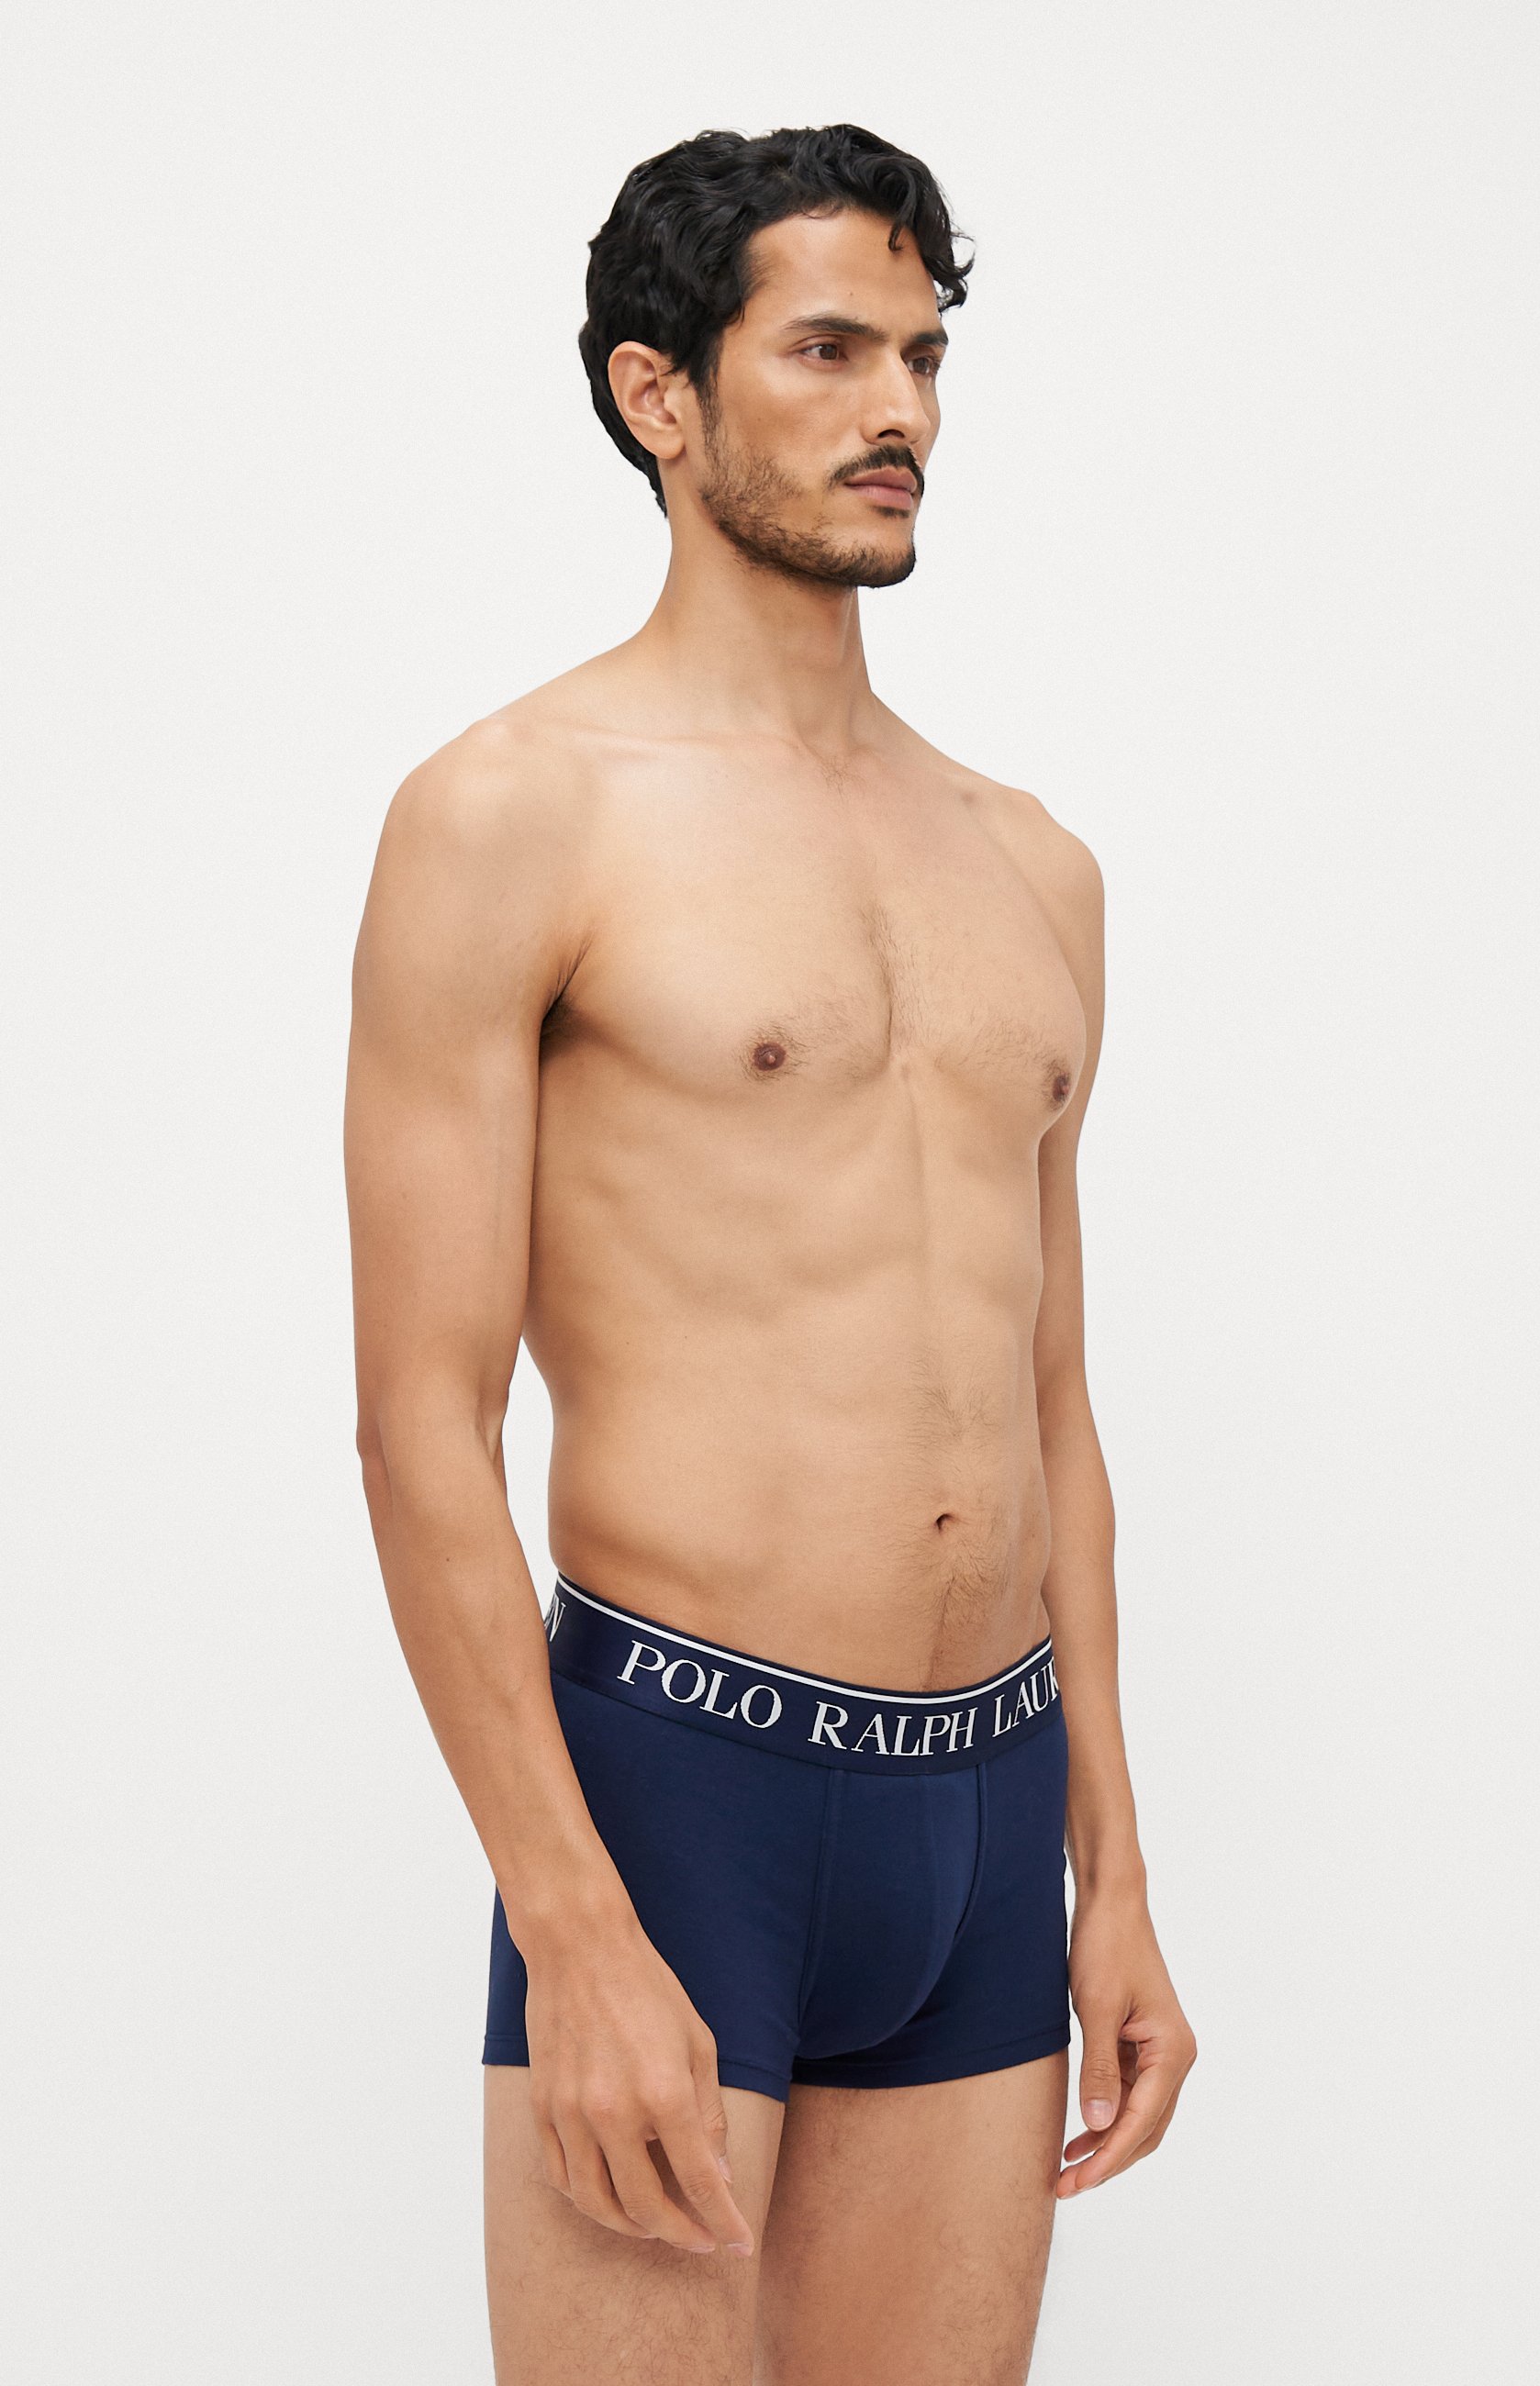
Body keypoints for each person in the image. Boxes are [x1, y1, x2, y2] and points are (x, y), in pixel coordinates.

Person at [344, 121, 1196, 2386]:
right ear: (659, 394)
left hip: (989, 1809)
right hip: (679, 1794)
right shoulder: (514, 812)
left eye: (922, 355)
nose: (898, 408)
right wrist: (572, 1920)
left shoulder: (1031, 864)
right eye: (826, 350)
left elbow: (1050, 1408)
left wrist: (1110, 1866)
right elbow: (421, 1423)